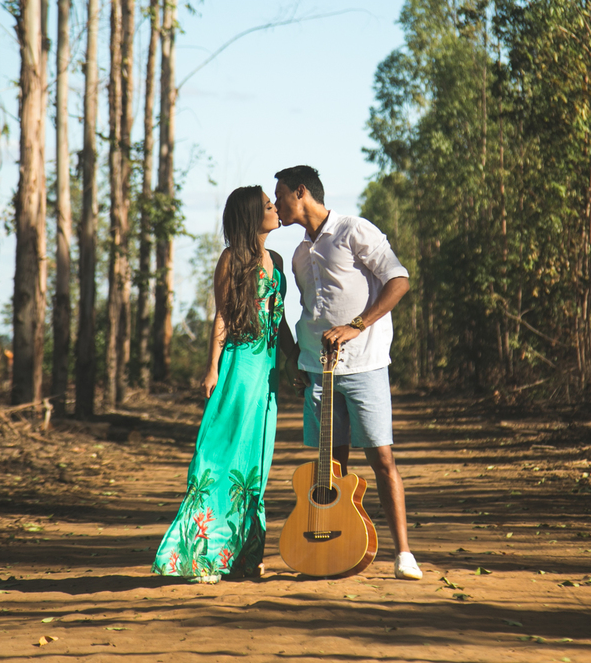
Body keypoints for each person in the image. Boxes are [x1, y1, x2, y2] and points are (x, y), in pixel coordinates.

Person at [273, 165, 423, 581]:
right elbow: (310, 315)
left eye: (281, 194)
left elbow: (399, 279)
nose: (277, 204)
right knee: (331, 469)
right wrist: (299, 361)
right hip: (318, 374)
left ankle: (404, 555)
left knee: (381, 458)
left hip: (365, 366)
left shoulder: (355, 230)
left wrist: (357, 324)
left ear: (301, 193)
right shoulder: (300, 254)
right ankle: (334, 550)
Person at [152, 186, 297, 583]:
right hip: (239, 366)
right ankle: (201, 554)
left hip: (266, 372)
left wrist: (293, 359)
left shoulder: (278, 260)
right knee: (222, 455)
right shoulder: (232, 259)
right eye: (268, 205)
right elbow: (222, 316)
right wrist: (213, 367)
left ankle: (244, 556)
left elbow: (279, 320)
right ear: (252, 217)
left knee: (255, 462)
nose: (275, 208)